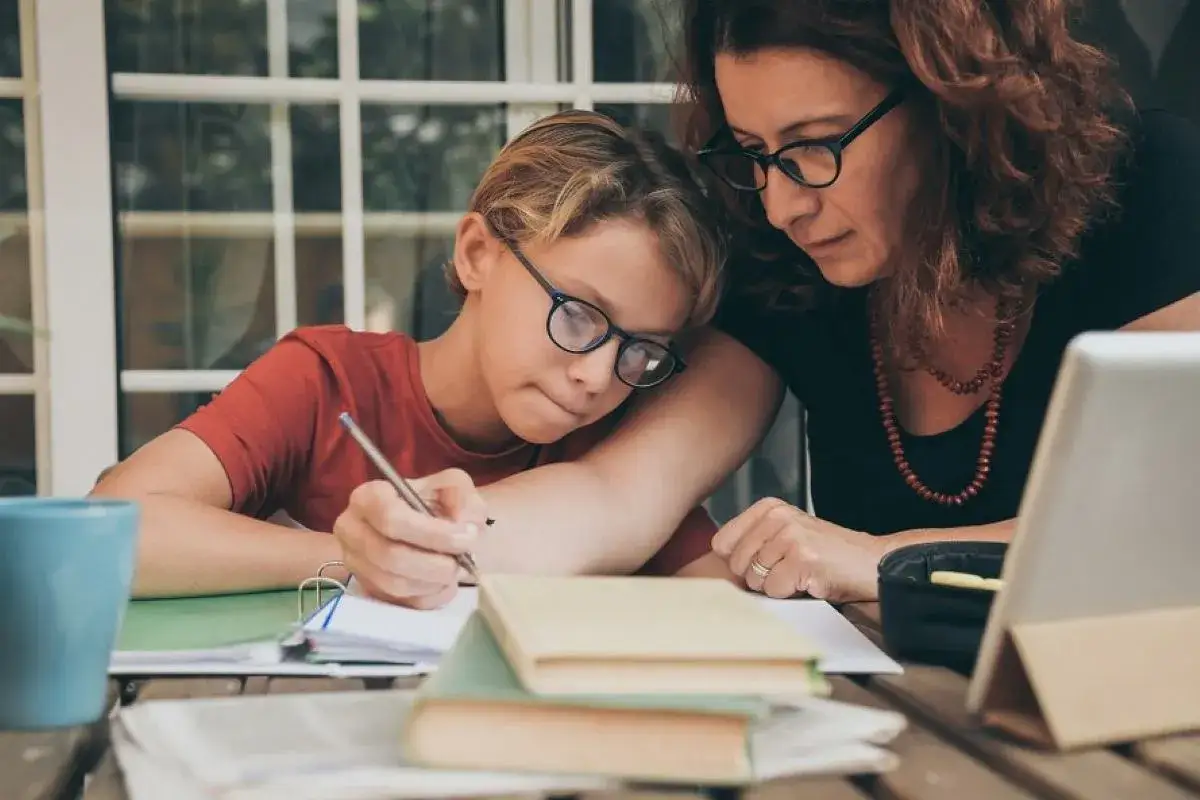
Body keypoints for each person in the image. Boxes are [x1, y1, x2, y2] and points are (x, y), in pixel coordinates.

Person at [332, 0, 1200, 607]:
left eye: (813, 147)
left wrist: (876, 558)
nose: (784, 203)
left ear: (951, 103)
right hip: (900, 724)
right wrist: (438, 535)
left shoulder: (1150, 189)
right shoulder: (790, 260)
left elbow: (1165, 532)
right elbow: (615, 497)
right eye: (754, 153)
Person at [91, 110, 736, 603]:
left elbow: (722, 598)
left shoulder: (617, 441)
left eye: (643, 350)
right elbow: (111, 531)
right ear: (477, 254)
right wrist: (356, 558)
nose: (596, 375)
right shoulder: (326, 381)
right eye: (577, 314)